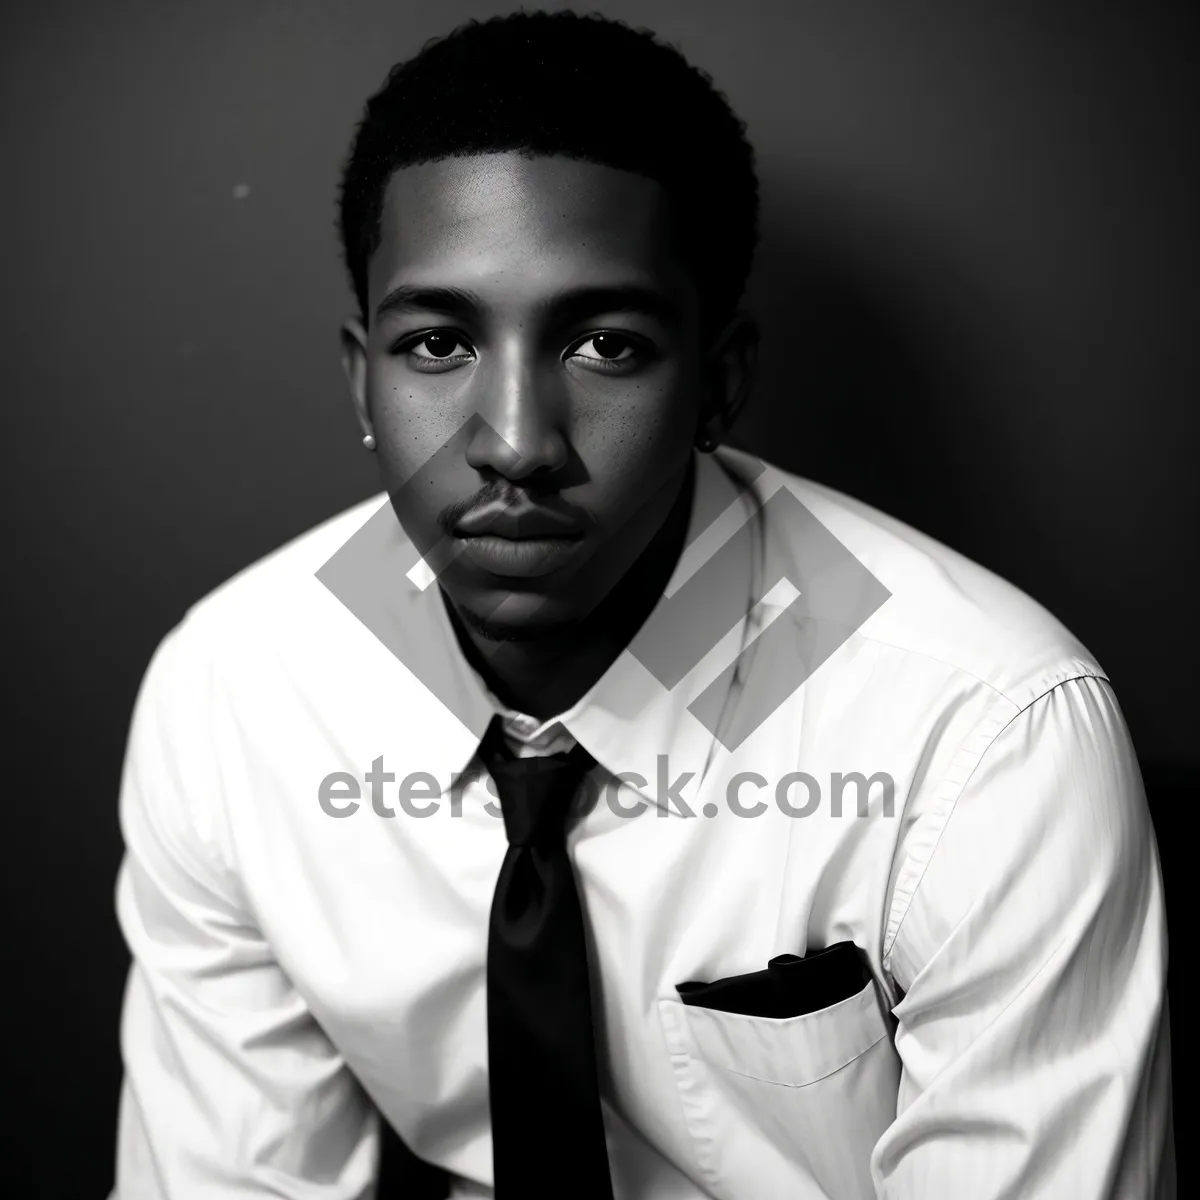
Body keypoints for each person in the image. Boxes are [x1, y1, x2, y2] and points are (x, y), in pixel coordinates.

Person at [110, 10, 1174, 1199]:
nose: (514, 445)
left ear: (719, 384)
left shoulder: (985, 733)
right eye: (439, 344)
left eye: (606, 344)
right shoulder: (234, 693)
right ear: (363, 379)